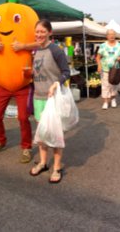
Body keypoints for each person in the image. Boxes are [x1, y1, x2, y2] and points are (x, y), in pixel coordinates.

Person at [0, 39, 39, 163]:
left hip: (22, 85)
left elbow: (40, 43)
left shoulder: (23, 32)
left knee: (23, 118)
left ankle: (26, 147)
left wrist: (24, 45)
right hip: (4, 85)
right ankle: (0, 141)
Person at [29, 19, 70, 183]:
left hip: (53, 99)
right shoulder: (36, 51)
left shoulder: (56, 50)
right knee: (42, 133)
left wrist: (55, 83)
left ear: (49, 33)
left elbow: (66, 72)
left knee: (55, 134)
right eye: (37, 31)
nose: (39, 34)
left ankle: (57, 167)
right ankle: (43, 162)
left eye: (42, 31)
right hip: (38, 97)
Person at [96, 29, 120, 110]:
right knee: (105, 85)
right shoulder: (103, 46)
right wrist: (99, 66)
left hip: (116, 69)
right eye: (109, 34)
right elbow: (98, 57)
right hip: (105, 69)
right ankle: (105, 102)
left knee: (115, 85)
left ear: (115, 35)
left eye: (113, 34)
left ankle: (113, 99)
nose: (111, 36)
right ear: (107, 36)